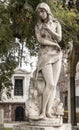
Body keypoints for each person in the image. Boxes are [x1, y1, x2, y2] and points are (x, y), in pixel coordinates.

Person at [35, 2, 62, 119]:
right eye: (39, 12)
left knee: (53, 86)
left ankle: (48, 112)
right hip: (45, 55)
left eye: (42, 11)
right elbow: (41, 40)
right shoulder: (37, 26)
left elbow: (59, 38)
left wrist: (49, 30)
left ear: (47, 11)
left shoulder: (56, 23)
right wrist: (53, 44)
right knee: (49, 83)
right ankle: (42, 112)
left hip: (57, 55)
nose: (41, 14)